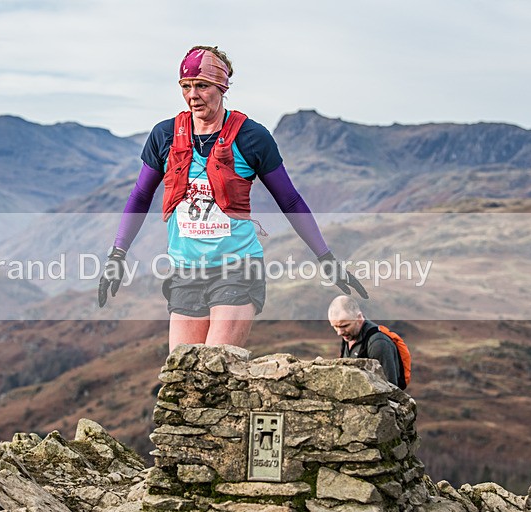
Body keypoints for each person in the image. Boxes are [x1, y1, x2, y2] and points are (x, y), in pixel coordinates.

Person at [99, 45, 368, 352]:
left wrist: (326, 258)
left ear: (222, 87)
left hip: (238, 270)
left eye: (202, 86)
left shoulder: (251, 137)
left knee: (216, 367)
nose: (193, 95)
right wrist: (117, 254)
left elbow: (290, 201)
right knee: (183, 371)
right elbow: (140, 195)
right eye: (186, 86)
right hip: (185, 271)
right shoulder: (165, 135)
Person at [328, 295, 400, 387]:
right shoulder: (349, 336)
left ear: (359, 317)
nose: (339, 332)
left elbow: (391, 387)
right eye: (335, 326)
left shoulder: (378, 343)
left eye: (345, 326)